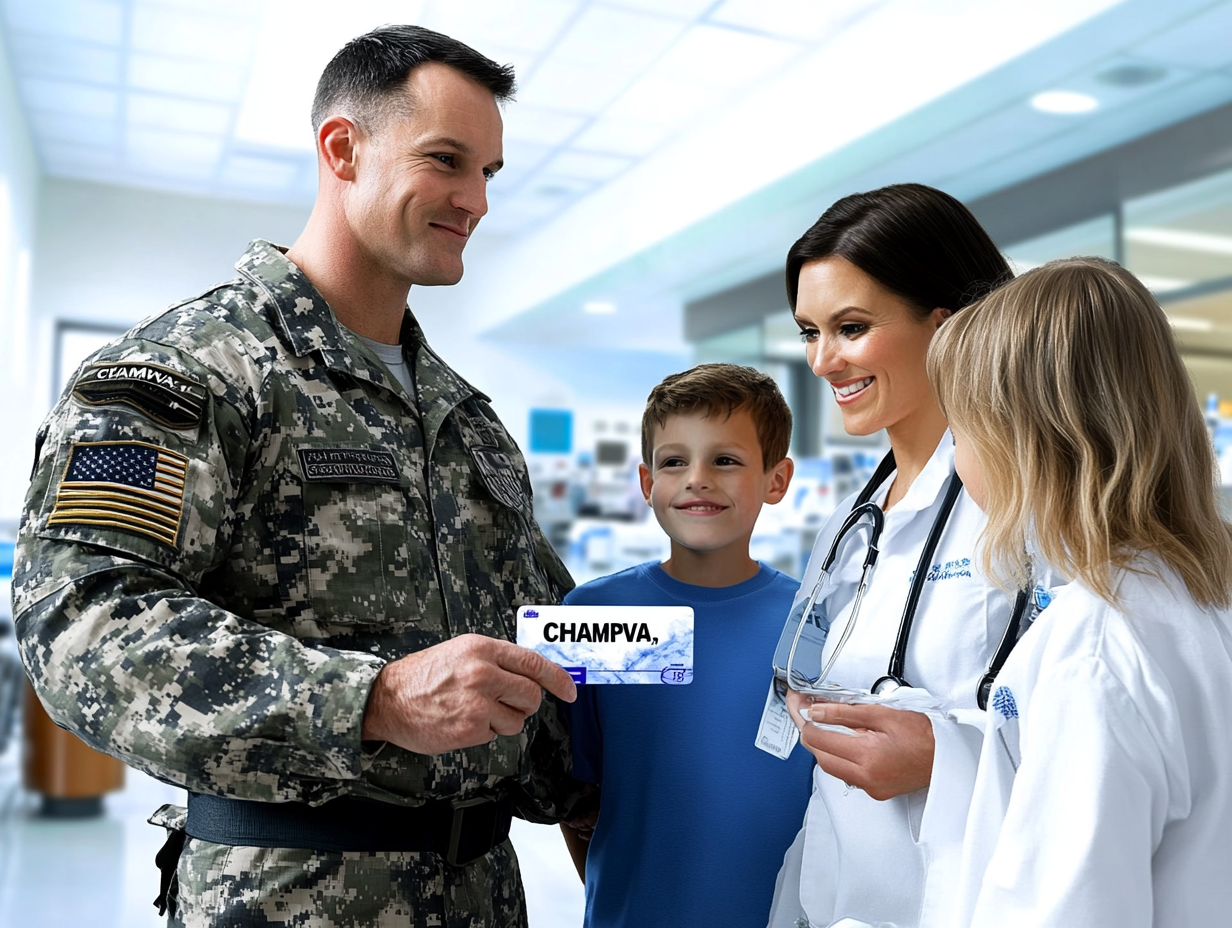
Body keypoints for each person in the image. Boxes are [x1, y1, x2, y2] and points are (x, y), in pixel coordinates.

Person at [11, 25, 582, 928]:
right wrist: (374, 700)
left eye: (490, 174)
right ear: (343, 149)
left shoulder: (468, 424)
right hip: (290, 897)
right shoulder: (190, 372)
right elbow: (82, 622)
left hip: (484, 894)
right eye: (447, 160)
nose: (475, 199)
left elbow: (548, 648)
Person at [929, 257, 1232, 927]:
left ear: (1022, 443)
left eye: (958, 433)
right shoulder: (1201, 591)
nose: (955, 460)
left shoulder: (1093, 651)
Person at [766, 183, 1034, 928]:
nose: (823, 361)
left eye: (850, 327)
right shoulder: (851, 527)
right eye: (808, 332)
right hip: (835, 900)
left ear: (946, 328)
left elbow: (1113, 744)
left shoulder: (1038, 512)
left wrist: (945, 760)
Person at [559, 363, 814, 927]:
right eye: (675, 461)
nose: (698, 478)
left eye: (725, 460)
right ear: (648, 483)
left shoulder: (814, 623)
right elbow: (571, 794)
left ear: (777, 479)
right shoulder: (592, 616)